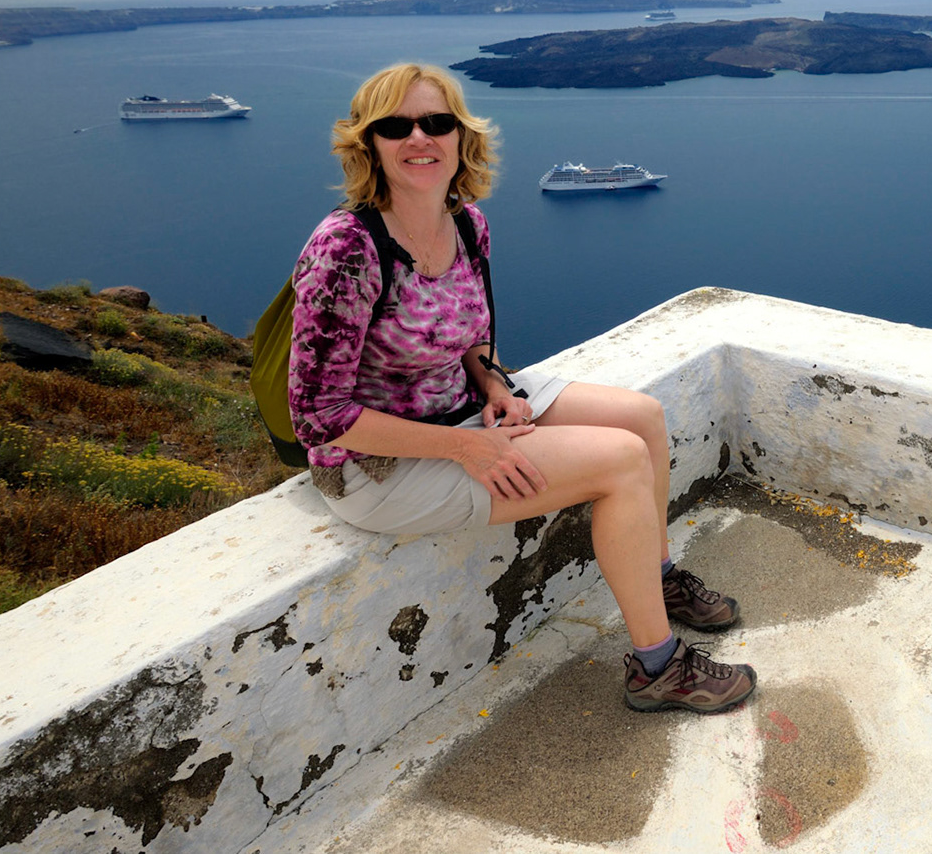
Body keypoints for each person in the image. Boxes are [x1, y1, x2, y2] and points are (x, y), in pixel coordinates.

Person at [288, 63, 754, 714]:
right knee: (620, 463)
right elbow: (318, 415)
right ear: (368, 144)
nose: (419, 138)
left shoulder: (466, 224)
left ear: (460, 135)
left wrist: (496, 387)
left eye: (436, 122)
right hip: (380, 465)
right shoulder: (347, 247)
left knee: (643, 418)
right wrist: (466, 450)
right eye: (396, 126)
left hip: (463, 407)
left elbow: (470, 340)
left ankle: (659, 577)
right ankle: (658, 668)